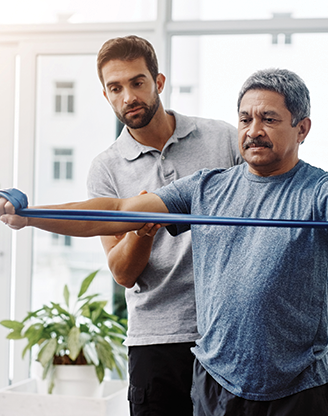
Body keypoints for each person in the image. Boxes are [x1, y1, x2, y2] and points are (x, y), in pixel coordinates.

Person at [0, 68, 328, 415]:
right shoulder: (207, 187)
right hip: (217, 383)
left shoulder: (322, 189)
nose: (254, 130)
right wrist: (32, 215)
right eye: (246, 119)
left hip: (298, 390)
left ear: (301, 127)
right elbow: (116, 213)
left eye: (269, 119)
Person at [91, 35, 242, 415]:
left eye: (137, 83)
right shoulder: (106, 168)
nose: (128, 97)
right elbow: (123, 273)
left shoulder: (222, 138)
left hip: (225, 334)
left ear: (158, 83)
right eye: (116, 88)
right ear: (106, 95)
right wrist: (145, 230)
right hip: (154, 340)